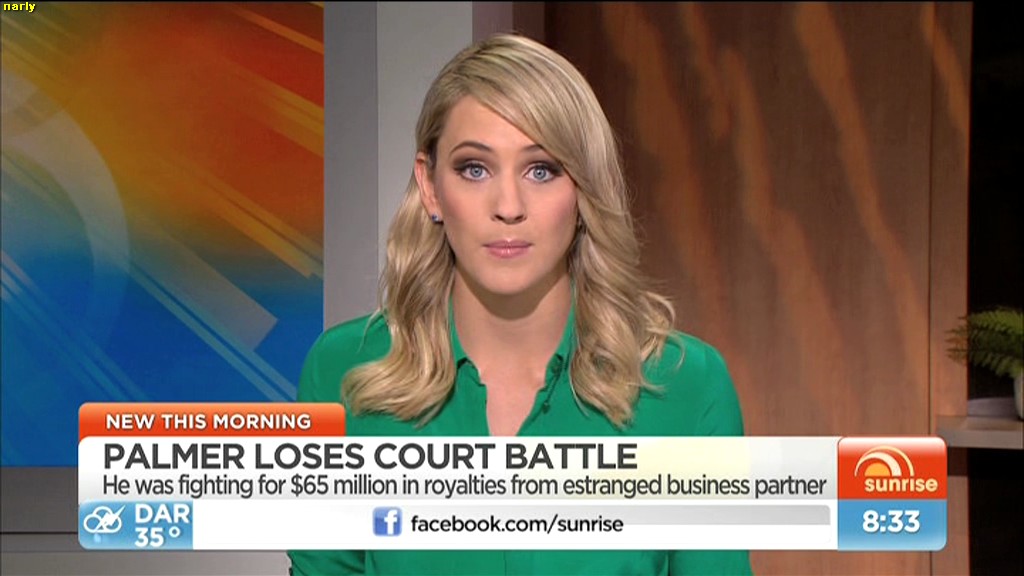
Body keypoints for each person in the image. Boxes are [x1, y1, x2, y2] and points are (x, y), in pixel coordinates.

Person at [289, 33, 750, 575]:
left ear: (583, 191)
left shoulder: (687, 385)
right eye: (474, 169)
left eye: (542, 170)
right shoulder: (344, 372)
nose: (508, 206)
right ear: (431, 188)